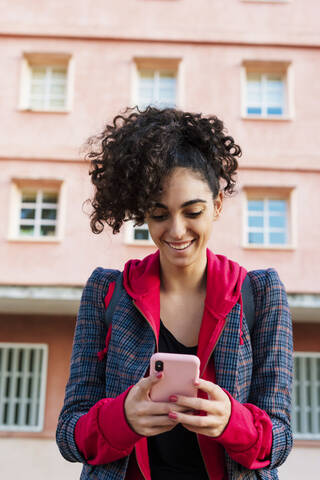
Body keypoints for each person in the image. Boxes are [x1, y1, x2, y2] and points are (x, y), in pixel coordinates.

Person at [56, 107, 293, 480]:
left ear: (216, 205)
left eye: (193, 211)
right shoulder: (107, 292)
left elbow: (279, 440)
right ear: (143, 215)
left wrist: (234, 422)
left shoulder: (260, 295)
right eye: (159, 213)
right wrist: (123, 419)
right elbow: (70, 434)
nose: (177, 230)